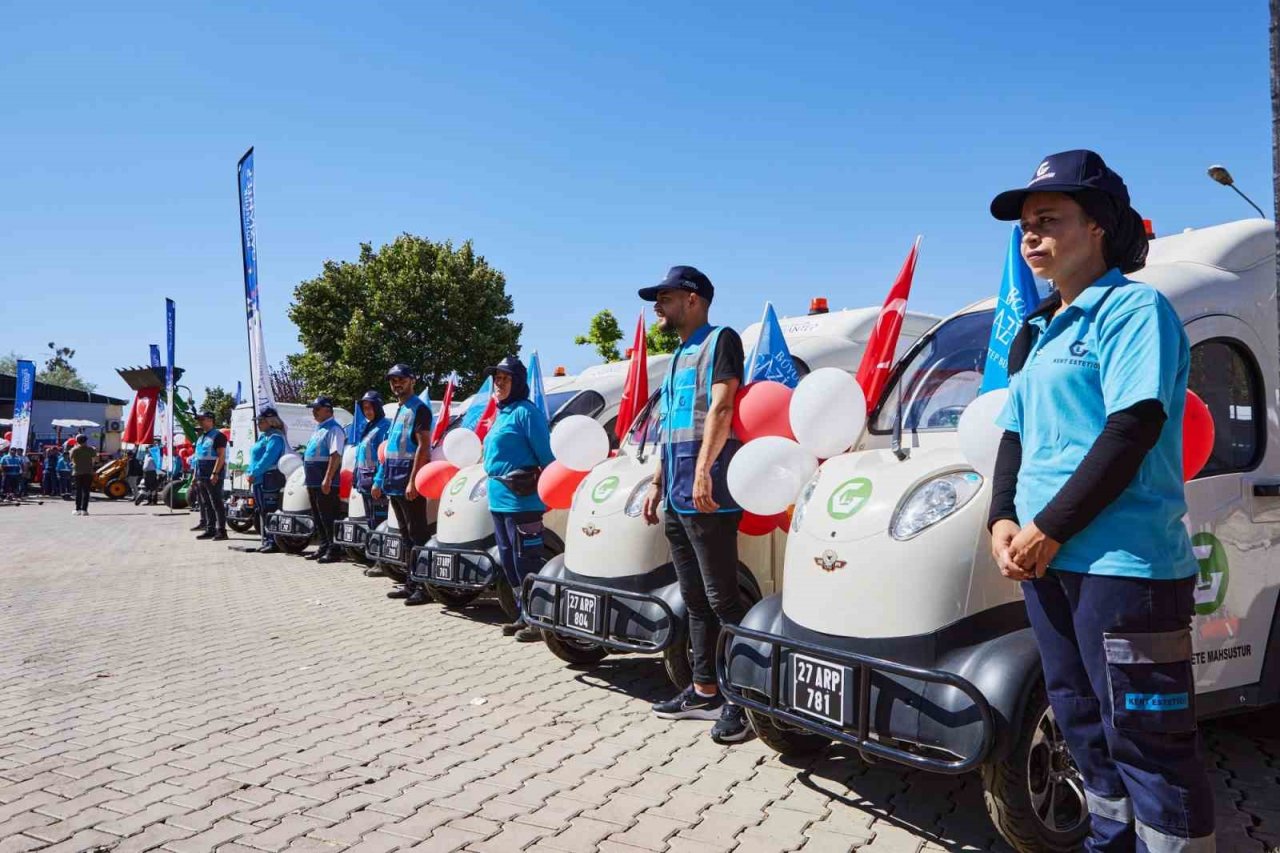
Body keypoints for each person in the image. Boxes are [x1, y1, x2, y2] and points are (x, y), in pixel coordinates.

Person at [987, 150, 1213, 851]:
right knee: (1081, 725)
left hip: (1125, 567)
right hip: (1046, 564)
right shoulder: (1035, 330)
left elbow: (1132, 427)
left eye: (1048, 219)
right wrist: (1001, 517)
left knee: (1148, 741)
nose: (1030, 235)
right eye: (1025, 224)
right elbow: (1014, 436)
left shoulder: (1132, 309)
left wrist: (1048, 528)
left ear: (1101, 228)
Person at [638, 266, 750, 743]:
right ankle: (705, 690)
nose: (657, 306)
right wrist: (657, 483)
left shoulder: (721, 340)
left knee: (725, 599)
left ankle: (743, 703)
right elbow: (668, 430)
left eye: (664, 297)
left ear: (693, 299)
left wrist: (703, 469)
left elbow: (722, 409)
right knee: (696, 599)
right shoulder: (679, 353)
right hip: (677, 492)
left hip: (708, 492)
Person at [482, 356, 556, 642]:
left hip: (522, 500)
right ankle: (524, 614)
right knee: (509, 562)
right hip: (497, 499)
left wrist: (551, 488)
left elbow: (547, 456)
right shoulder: (501, 413)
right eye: (496, 378)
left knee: (527, 560)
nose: (499, 383)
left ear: (519, 382)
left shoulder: (527, 412)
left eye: (505, 378)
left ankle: (539, 619)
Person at [372, 365, 433, 603]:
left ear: (412, 381)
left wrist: (413, 481)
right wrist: (380, 480)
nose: (396, 384)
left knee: (418, 535)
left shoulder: (420, 409)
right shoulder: (399, 409)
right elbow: (389, 450)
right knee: (406, 536)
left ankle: (424, 588)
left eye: (401, 380)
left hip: (408, 481)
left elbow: (423, 446)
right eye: (393, 380)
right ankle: (410, 583)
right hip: (393, 481)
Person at [301, 396, 346, 563]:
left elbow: (336, 456)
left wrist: (327, 479)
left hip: (324, 480)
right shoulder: (319, 428)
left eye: (316, 409)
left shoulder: (334, 429)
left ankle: (334, 550)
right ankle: (323, 546)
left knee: (328, 516)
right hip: (313, 480)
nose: (313, 412)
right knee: (318, 516)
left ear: (327, 410)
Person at [352, 390, 391, 576]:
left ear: (378, 407)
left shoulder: (384, 426)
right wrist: (355, 476)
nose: (367, 411)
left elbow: (384, 457)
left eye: (370, 407)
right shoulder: (369, 427)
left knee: (380, 523)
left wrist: (378, 481)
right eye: (365, 408)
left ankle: (382, 563)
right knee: (372, 523)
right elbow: (361, 455)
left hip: (376, 483)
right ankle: (375, 558)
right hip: (365, 482)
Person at [246, 407, 288, 553]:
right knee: (262, 510)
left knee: (270, 510)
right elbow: (254, 457)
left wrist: (255, 471)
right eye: (258, 421)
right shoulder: (264, 437)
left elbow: (268, 458)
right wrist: (249, 471)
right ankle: (267, 539)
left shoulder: (275, 437)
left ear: (271, 421)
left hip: (269, 478)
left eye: (261, 421)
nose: (258, 424)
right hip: (259, 478)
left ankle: (273, 541)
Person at [191, 412, 229, 540]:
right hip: (201, 475)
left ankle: (222, 531)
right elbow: (198, 458)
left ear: (211, 420)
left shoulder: (218, 436)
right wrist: (194, 476)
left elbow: (221, 456)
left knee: (216, 503)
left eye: (203, 419)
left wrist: (215, 473)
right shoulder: (201, 438)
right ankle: (210, 529)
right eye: (199, 420)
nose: (200, 422)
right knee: (206, 503)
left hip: (213, 475)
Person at [69, 435, 97, 515]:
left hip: (77, 472)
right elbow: (95, 459)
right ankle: (84, 510)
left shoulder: (75, 450)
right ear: (86, 441)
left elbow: (71, 459)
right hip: (88, 472)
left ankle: (77, 509)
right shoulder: (91, 449)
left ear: (77, 441)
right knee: (86, 491)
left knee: (78, 491)